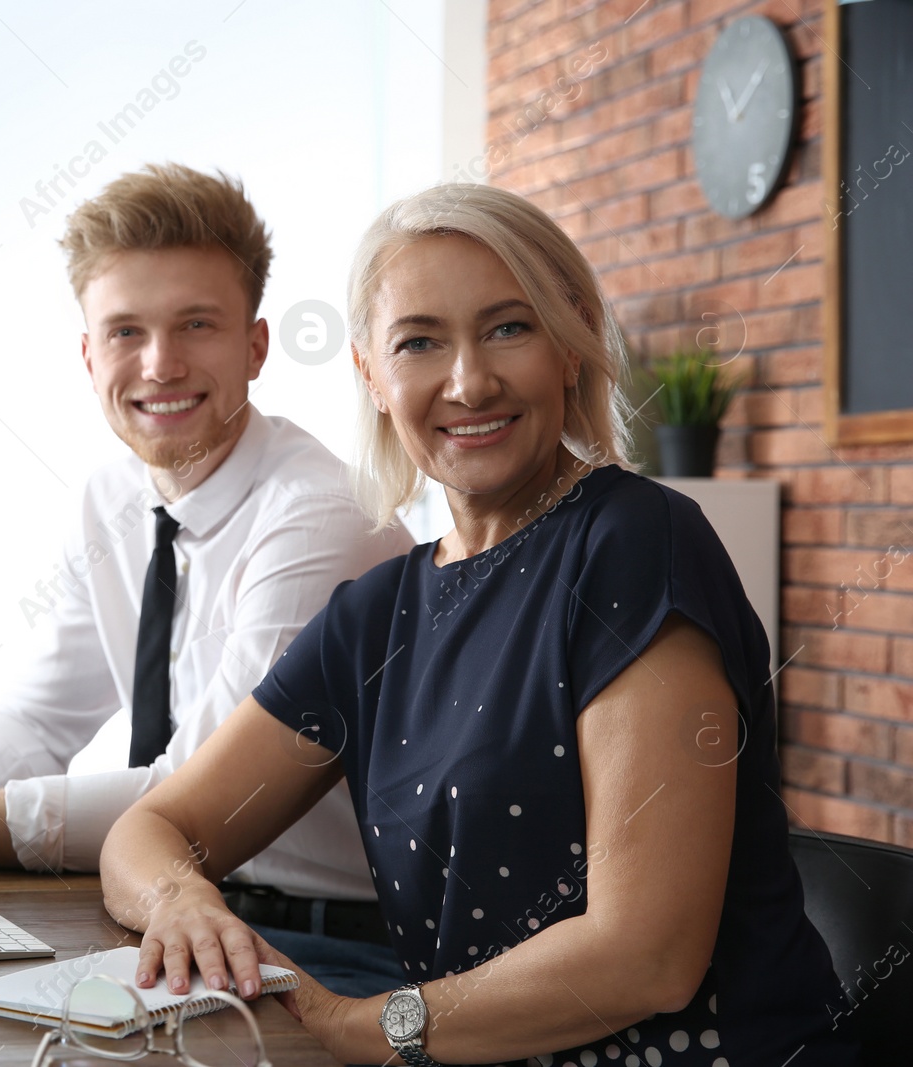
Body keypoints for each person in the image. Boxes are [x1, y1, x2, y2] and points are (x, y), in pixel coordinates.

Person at [99, 182, 858, 1066]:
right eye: (419, 342)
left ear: (571, 344)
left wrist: (366, 1023)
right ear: (372, 377)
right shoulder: (372, 619)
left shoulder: (637, 543)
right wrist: (180, 899)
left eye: (509, 327)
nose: (469, 381)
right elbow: (148, 831)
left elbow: (644, 956)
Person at [0, 163, 415, 997]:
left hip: (325, 945)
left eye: (196, 324)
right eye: (127, 331)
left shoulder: (320, 513)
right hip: (161, 910)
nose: (160, 363)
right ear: (89, 353)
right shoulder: (113, 498)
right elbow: (35, 716)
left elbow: (193, 803)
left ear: (255, 346)